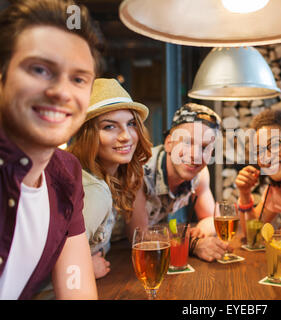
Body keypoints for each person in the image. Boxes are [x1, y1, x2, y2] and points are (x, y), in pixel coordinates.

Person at [0, 0, 102, 299]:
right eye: (40, 69)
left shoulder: (66, 174)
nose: (61, 91)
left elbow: (76, 289)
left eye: (79, 79)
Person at [67, 78, 153, 279]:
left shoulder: (110, 178)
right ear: (86, 135)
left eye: (131, 124)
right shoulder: (93, 190)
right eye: (109, 127)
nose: (126, 136)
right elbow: (52, 261)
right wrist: (86, 267)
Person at [129, 103, 231, 262]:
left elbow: (211, 219)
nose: (195, 156)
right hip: (109, 253)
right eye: (188, 142)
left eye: (204, 147)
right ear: (169, 143)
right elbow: (139, 237)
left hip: (155, 251)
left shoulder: (200, 174)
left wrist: (197, 233)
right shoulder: (139, 171)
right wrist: (193, 244)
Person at [235, 109, 281, 229]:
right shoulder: (277, 191)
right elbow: (252, 233)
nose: (266, 157)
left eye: (274, 145)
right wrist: (245, 193)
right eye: (259, 151)